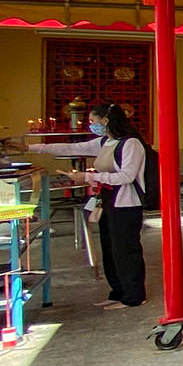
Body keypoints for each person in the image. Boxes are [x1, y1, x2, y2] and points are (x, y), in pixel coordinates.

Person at [64, 105, 147, 309]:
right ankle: (118, 291)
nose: (91, 125)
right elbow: (72, 149)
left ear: (106, 120)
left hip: (127, 205)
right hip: (108, 200)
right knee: (109, 249)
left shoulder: (131, 144)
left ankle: (134, 296)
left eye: (93, 121)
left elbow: (127, 176)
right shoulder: (105, 142)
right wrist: (30, 148)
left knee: (125, 251)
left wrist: (87, 176)